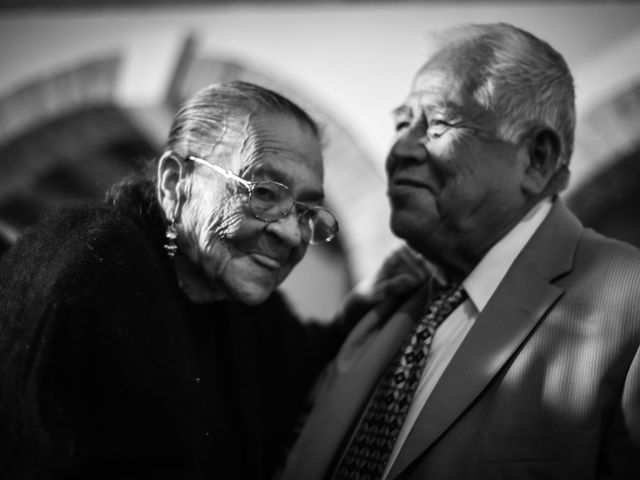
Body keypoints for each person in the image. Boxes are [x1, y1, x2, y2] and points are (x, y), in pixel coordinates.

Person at [281, 23, 640, 480]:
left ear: (536, 160)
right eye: (401, 123)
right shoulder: (384, 308)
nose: (398, 151)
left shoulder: (629, 305)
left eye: (438, 124)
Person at [0, 81, 409, 480]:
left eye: (306, 212)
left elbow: (299, 367)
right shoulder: (95, 275)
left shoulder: (235, 299)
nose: (290, 234)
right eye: (264, 192)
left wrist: (362, 305)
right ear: (175, 183)